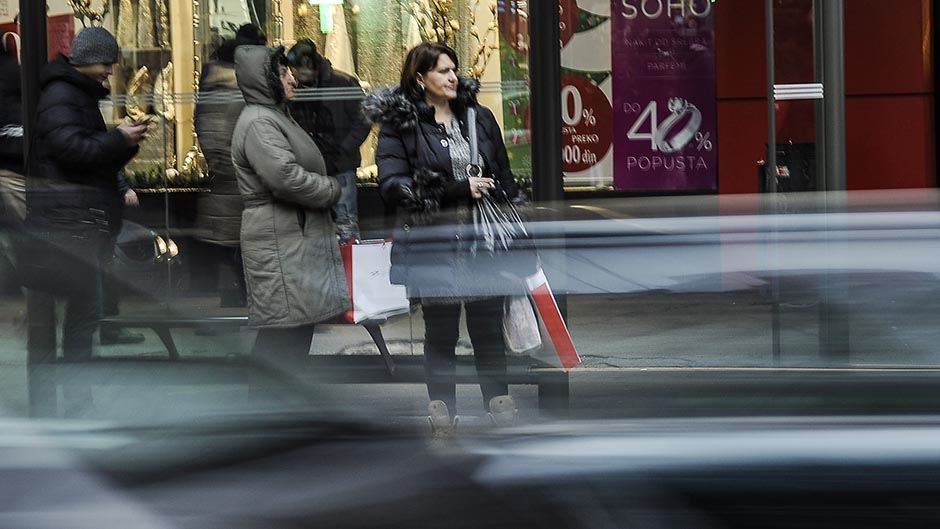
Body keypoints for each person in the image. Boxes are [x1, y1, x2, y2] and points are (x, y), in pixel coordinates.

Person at [363, 42, 522, 436]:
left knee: (487, 329)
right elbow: (393, 186)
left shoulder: (479, 117)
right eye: (442, 71)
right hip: (434, 246)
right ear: (421, 78)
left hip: (482, 243)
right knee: (442, 333)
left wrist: (507, 206)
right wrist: (456, 189)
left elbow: (504, 178)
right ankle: (443, 412)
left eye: (454, 69)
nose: (453, 77)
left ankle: (498, 404)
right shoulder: (402, 127)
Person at [26, 27, 146, 360]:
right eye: (106, 62)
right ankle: (77, 400)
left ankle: (77, 397)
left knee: (86, 313)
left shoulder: (74, 93)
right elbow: (72, 150)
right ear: (89, 59)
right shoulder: (63, 94)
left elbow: (89, 155)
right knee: (84, 313)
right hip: (71, 224)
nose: (110, 70)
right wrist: (118, 140)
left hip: (77, 221)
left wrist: (124, 144)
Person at [230, 45, 349, 368]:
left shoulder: (275, 117)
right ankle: (268, 410)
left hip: (290, 240)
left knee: (293, 333)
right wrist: (331, 190)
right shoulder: (259, 123)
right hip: (281, 242)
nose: (293, 79)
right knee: (283, 336)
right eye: (283, 73)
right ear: (265, 80)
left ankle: (277, 408)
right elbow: (285, 177)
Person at [194, 25, 266, 308]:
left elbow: (207, 132)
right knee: (240, 251)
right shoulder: (234, 89)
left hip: (227, 183)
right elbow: (220, 137)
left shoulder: (214, 85)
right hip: (238, 183)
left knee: (232, 250)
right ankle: (242, 309)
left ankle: (235, 306)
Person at [287, 38, 371, 242]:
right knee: (312, 227)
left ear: (309, 65)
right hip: (309, 167)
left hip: (340, 166)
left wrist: (343, 149)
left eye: (296, 69)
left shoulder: (342, 83)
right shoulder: (296, 89)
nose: (294, 75)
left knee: (345, 224)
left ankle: (348, 267)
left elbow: (364, 120)